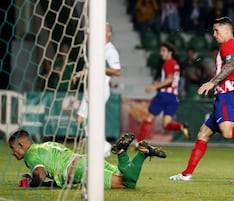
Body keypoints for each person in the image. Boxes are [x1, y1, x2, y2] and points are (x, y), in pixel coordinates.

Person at [169, 17, 234, 181]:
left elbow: (230, 65)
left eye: (216, 31)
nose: (213, 34)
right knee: (203, 134)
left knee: (226, 133)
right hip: (231, 96)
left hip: (226, 96)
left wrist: (212, 82)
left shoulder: (227, 45)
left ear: (227, 31)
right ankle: (186, 174)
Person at [9, 130, 166, 189]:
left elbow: (40, 174)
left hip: (80, 170)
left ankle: (123, 152)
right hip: (84, 160)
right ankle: (142, 152)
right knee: (127, 176)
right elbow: (49, 175)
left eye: (13, 148)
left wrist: (31, 184)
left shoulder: (30, 155)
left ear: (21, 144)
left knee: (127, 184)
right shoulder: (45, 145)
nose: (12, 153)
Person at [72, 23, 122, 157]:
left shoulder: (110, 50)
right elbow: (92, 68)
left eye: (104, 28)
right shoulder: (97, 49)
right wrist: (79, 74)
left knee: (92, 120)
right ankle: (100, 146)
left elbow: (117, 71)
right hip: (91, 87)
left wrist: (101, 67)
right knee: (80, 118)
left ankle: (103, 147)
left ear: (109, 32)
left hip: (100, 89)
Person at [135, 42, 189, 143]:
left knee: (149, 117)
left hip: (164, 95)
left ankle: (139, 142)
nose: (161, 53)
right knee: (166, 124)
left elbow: (169, 79)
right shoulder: (176, 64)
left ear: (170, 53)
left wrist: (154, 86)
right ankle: (181, 126)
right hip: (174, 97)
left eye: (163, 51)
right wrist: (160, 83)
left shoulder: (168, 63)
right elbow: (172, 80)